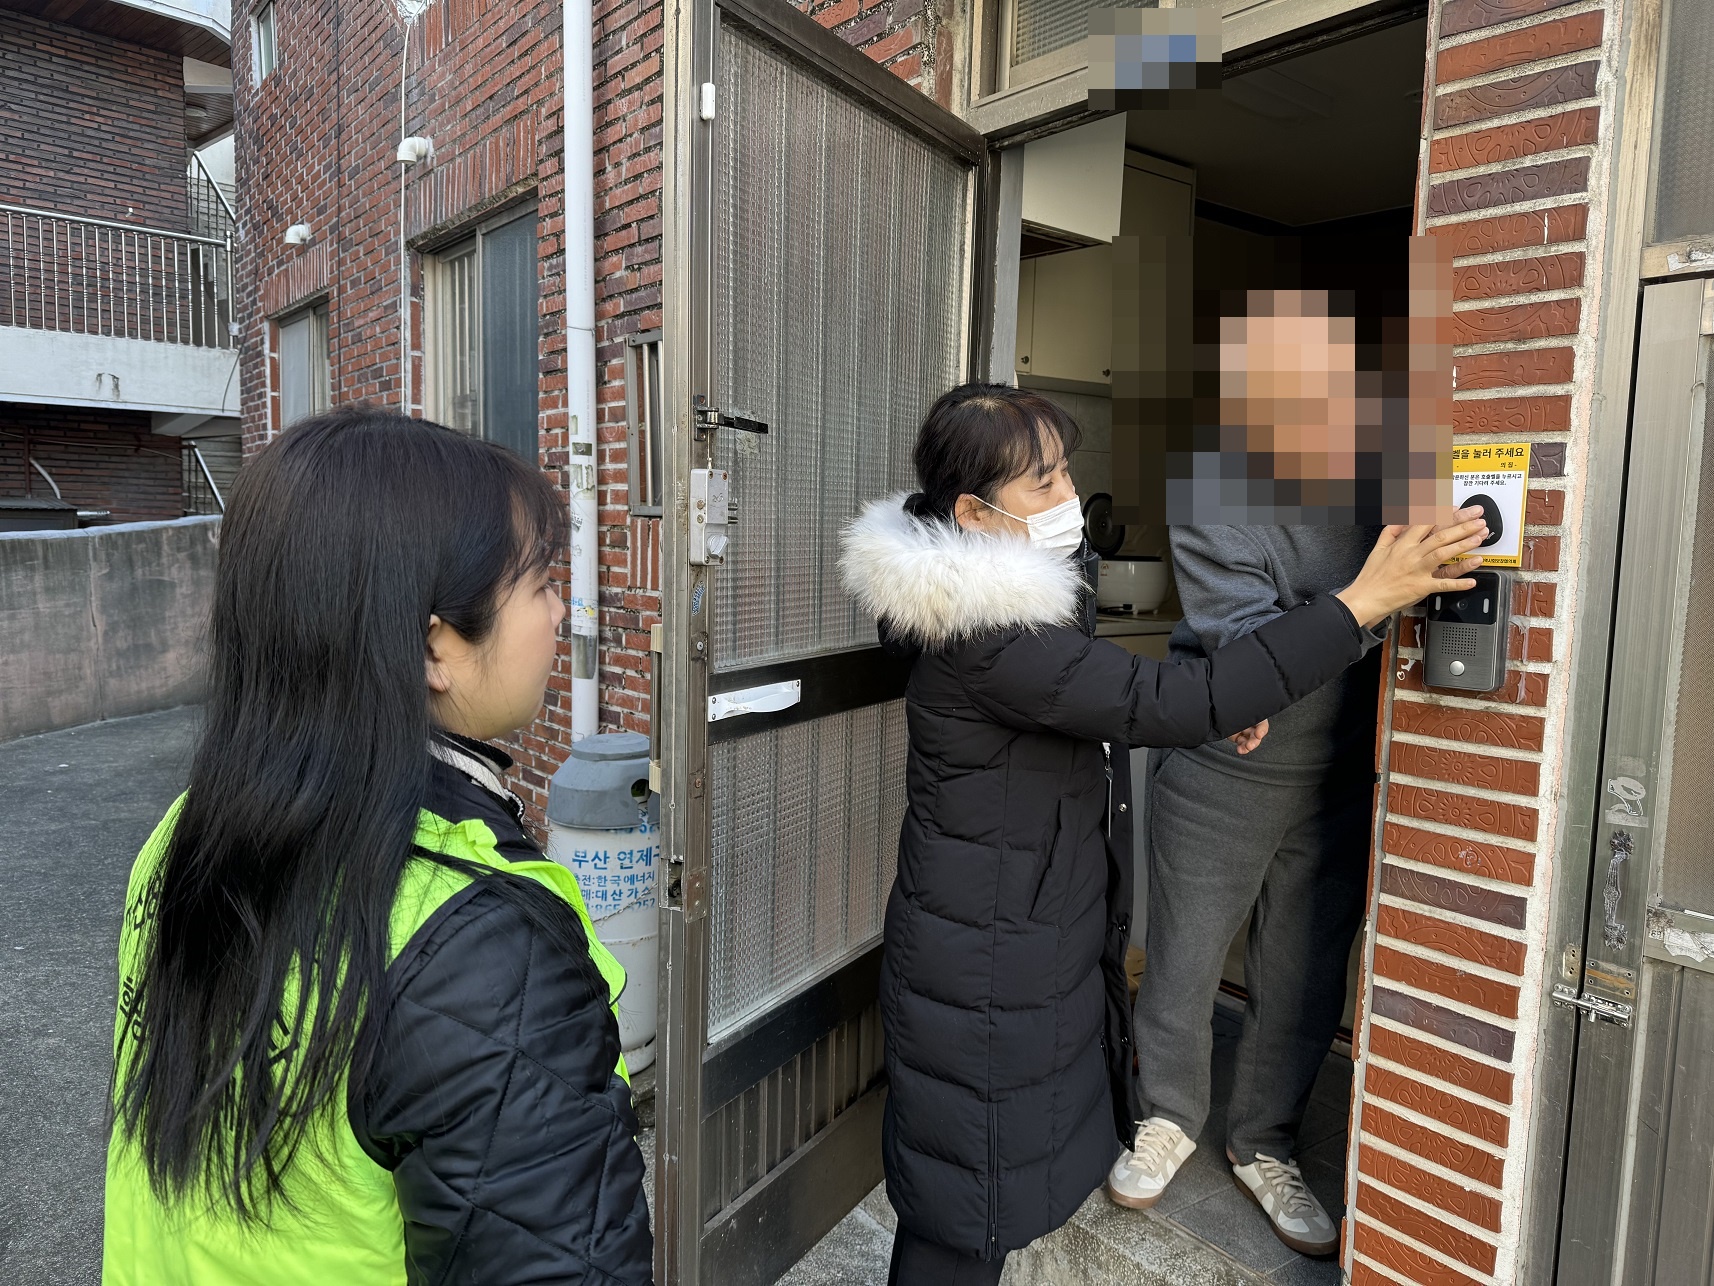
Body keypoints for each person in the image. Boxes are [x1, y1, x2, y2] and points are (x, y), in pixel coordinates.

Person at [838, 382, 1486, 1284]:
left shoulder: (986, 595)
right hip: (986, 958)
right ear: (973, 513)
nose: (1069, 498)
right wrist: (1362, 602)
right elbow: (1176, 698)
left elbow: (1109, 689)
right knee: (965, 1210)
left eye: (1066, 472)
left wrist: (1220, 699)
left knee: (978, 1189)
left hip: (1000, 934)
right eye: (1043, 483)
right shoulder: (992, 636)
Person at [103, 409, 654, 1285]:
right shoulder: (480, 947)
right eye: (543, 584)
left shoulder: (183, 836)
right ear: (436, 645)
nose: (563, 611)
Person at [1108, 287, 1458, 1259]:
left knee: (1304, 970)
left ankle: (1263, 1143)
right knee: (1184, 956)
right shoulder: (1213, 484)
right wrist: (1367, 600)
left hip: (1340, 766)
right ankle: (1167, 1115)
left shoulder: (1387, 476)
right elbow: (1253, 644)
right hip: (1222, 763)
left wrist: (1351, 606)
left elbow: (1410, 588)